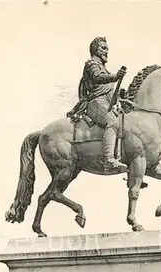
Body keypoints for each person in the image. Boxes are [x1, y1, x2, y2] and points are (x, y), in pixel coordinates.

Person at [67, 37, 128, 174]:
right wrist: (115, 77)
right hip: (95, 102)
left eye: (107, 49)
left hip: (106, 102)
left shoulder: (103, 67)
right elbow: (97, 77)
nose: (107, 52)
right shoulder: (91, 64)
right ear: (95, 49)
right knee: (111, 122)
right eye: (103, 48)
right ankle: (108, 160)